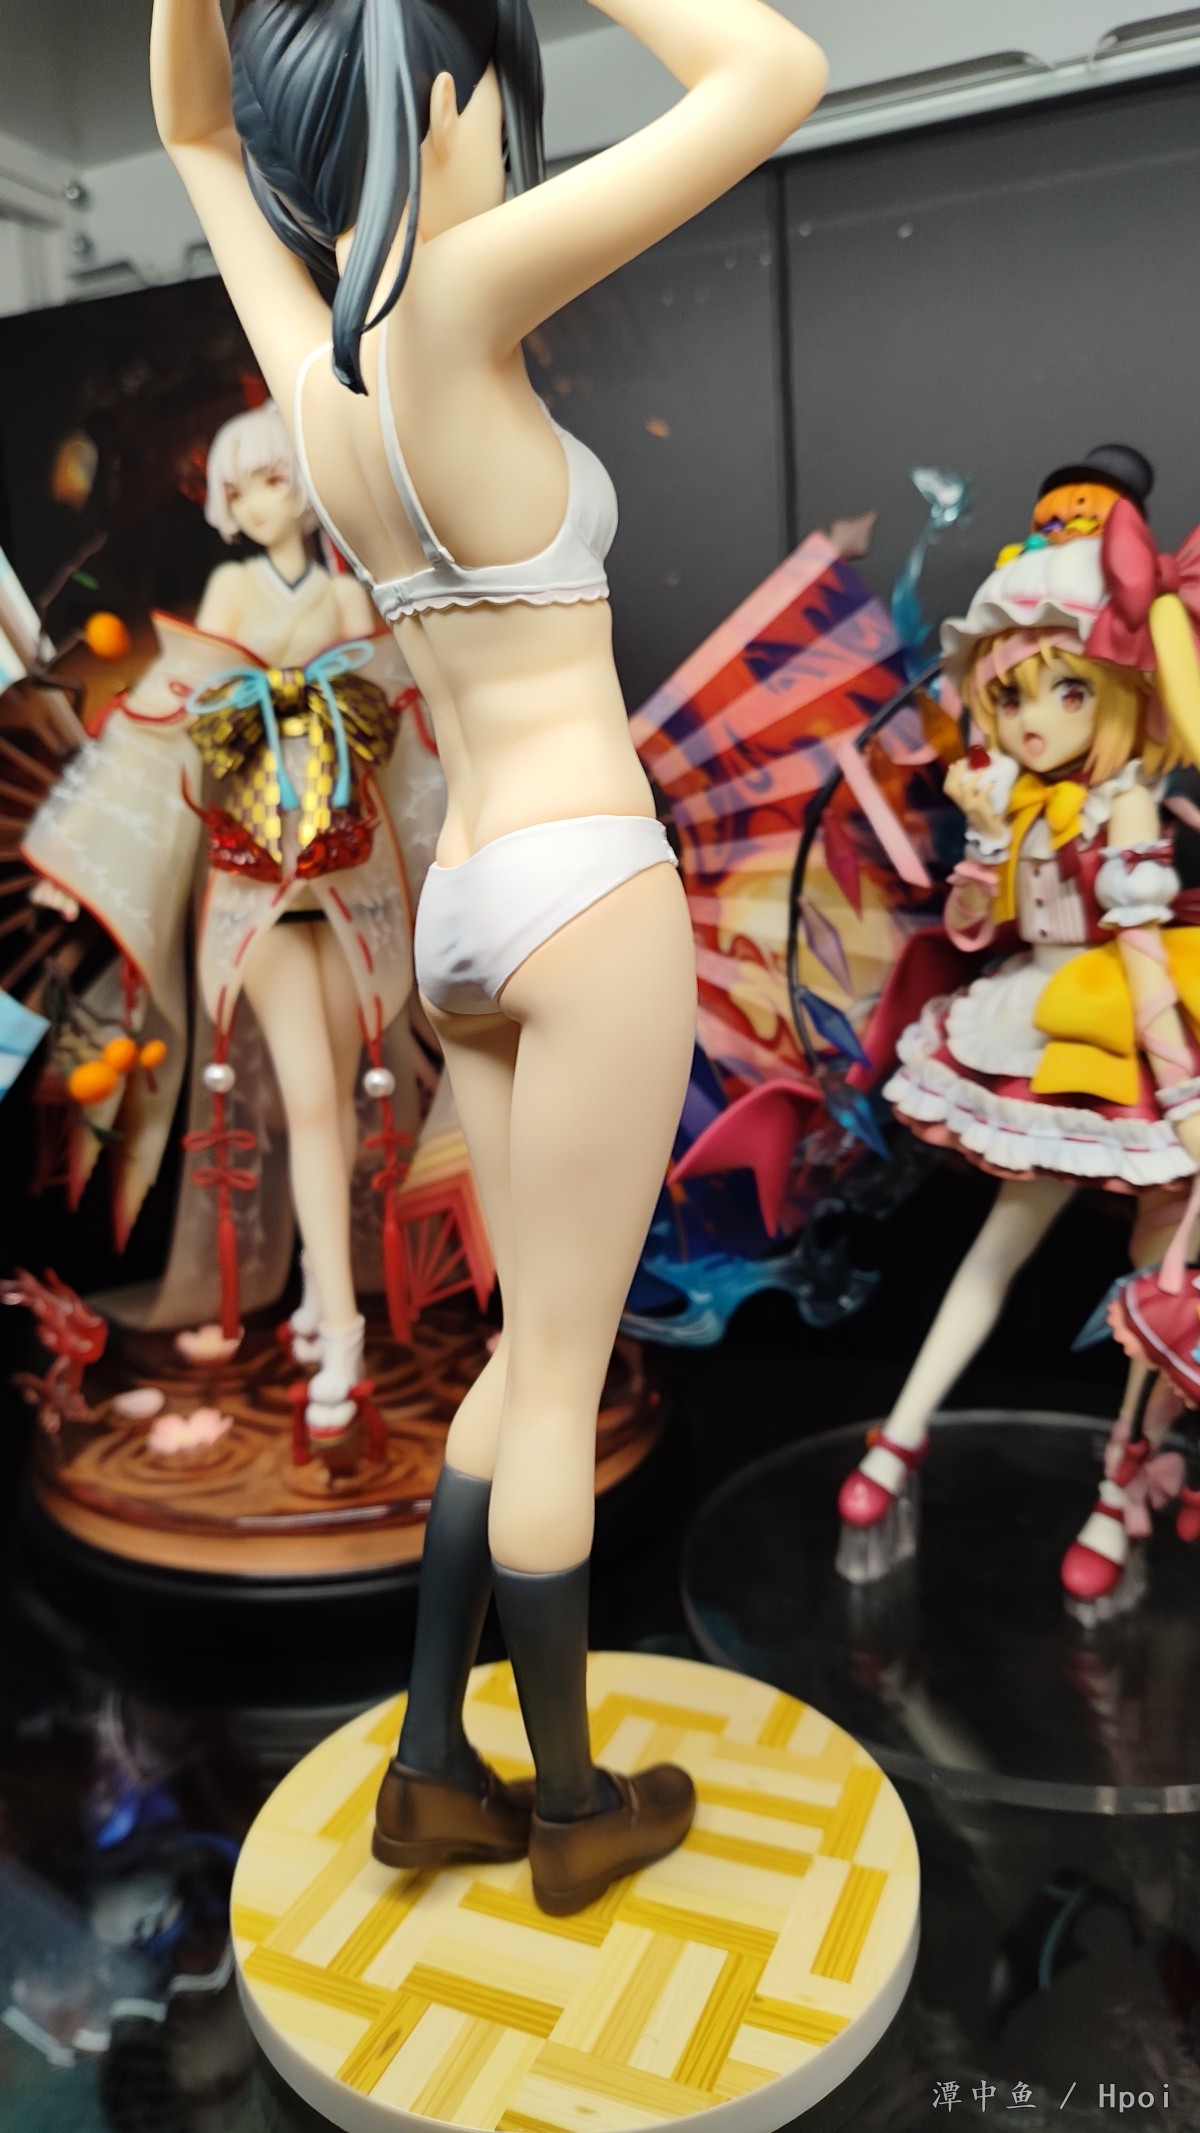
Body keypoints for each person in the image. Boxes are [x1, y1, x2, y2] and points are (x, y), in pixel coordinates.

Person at [148, 0, 827, 1911]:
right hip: (584, 891)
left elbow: (192, 136)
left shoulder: (317, 377)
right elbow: (777, 74)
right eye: (492, 101)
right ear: (438, 98)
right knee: (562, 1370)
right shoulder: (457, 296)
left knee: (522, 1355)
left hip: (460, 908)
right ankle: (574, 1806)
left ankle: (434, 1769)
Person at [24, 401, 442, 1449]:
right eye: (239, 487)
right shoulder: (229, 591)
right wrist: (88, 853)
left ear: (305, 486)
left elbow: (404, 733)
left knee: (340, 1095)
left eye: (274, 480)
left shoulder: (346, 593)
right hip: (256, 885)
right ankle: (341, 1333)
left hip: (346, 876)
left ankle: (318, 1288)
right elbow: (161, 733)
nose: (258, 503)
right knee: (312, 1101)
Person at [837, 449, 1200, 1614]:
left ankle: (1121, 1483)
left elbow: (1140, 956)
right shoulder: (1020, 798)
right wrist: (987, 843)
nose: (1034, 721)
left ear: (1124, 691)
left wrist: (1184, 1092)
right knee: (1001, 1242)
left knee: (1160, 1272)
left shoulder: (1125, 806)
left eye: (1067, 691)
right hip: (1038, 1021)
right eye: (1011, 696)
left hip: (1129, 1033)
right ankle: (899, 1435)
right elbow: (975, 929)